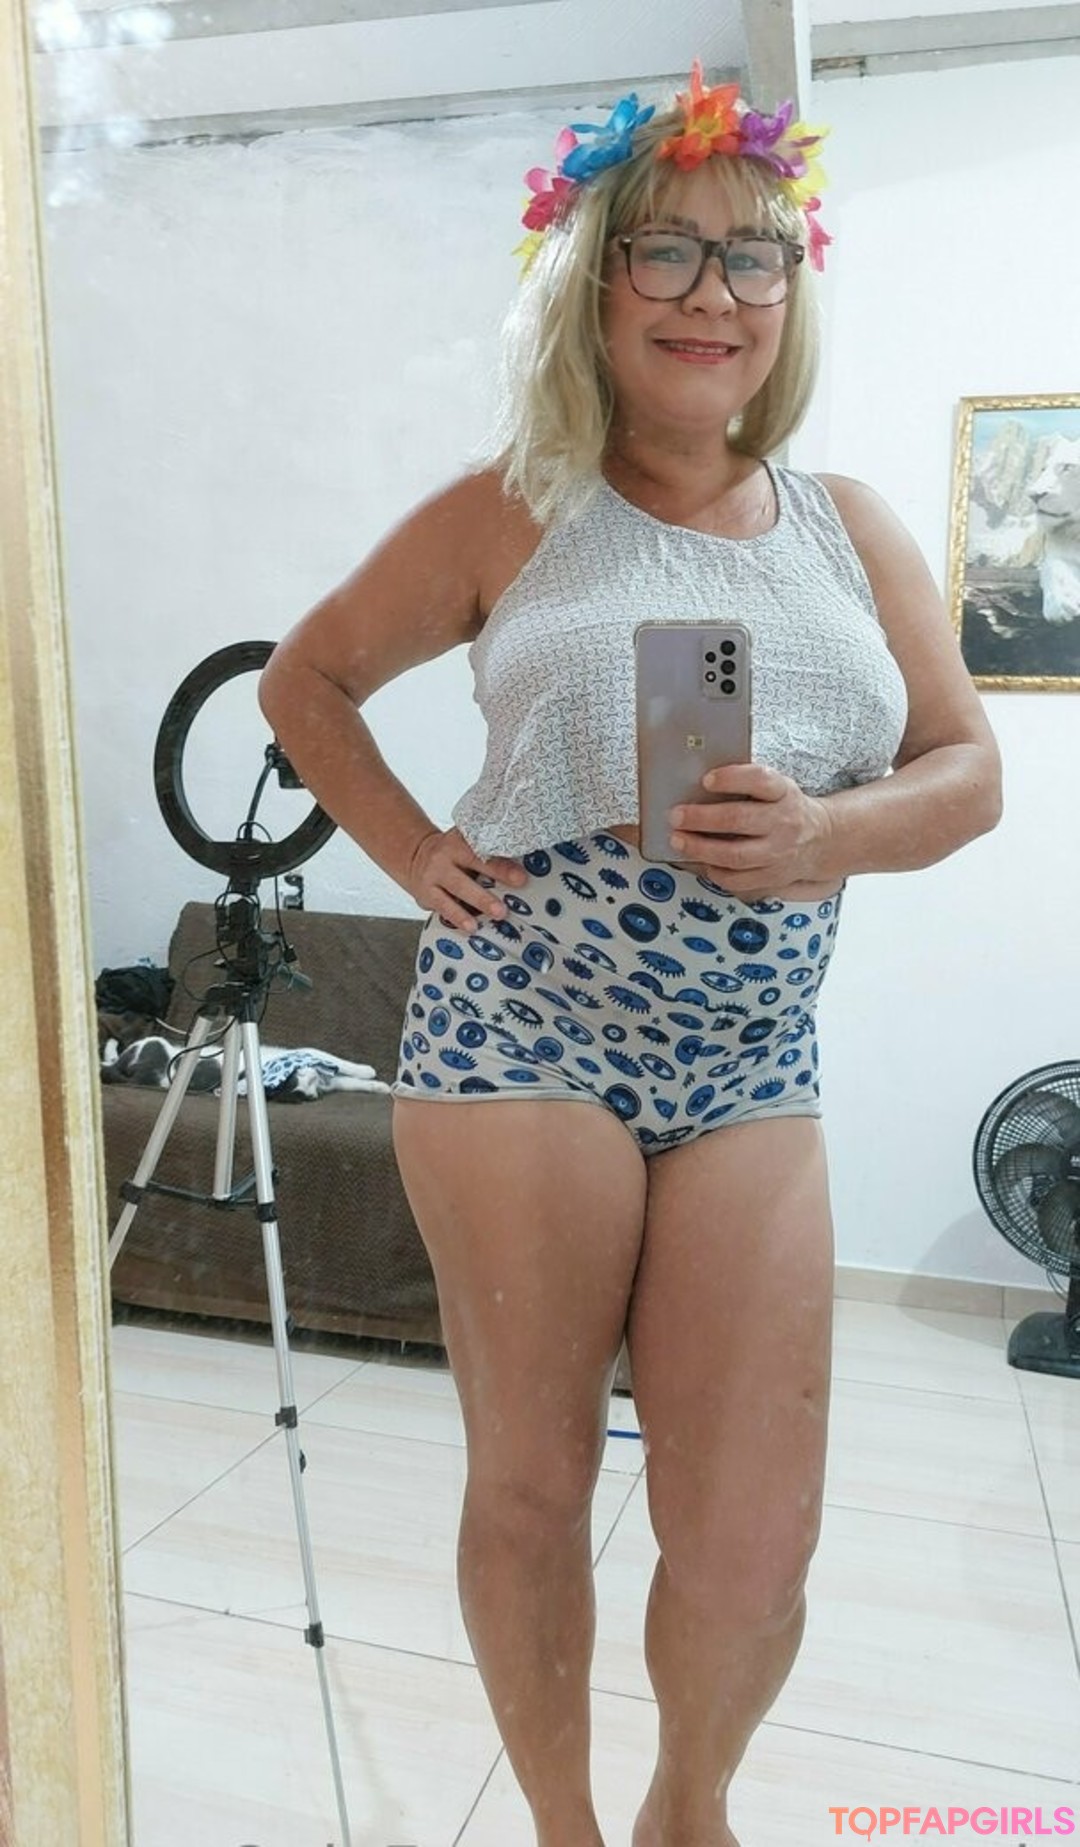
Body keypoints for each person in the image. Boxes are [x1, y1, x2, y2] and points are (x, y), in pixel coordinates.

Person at [259, 63, 1002, 1847]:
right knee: (530, 1486)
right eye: (664, 250)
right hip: (525, 1030)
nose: (710, 293)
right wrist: (410, 850)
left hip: (753, 1060)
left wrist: (828, 836)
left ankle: (689, 1805)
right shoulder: (511, 506)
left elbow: (967, 772)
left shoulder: (851, 528)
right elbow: (307, 680)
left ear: (790, 295)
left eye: (752, 257)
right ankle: (566, 1828)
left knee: (755, 1539)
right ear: (594, 280)